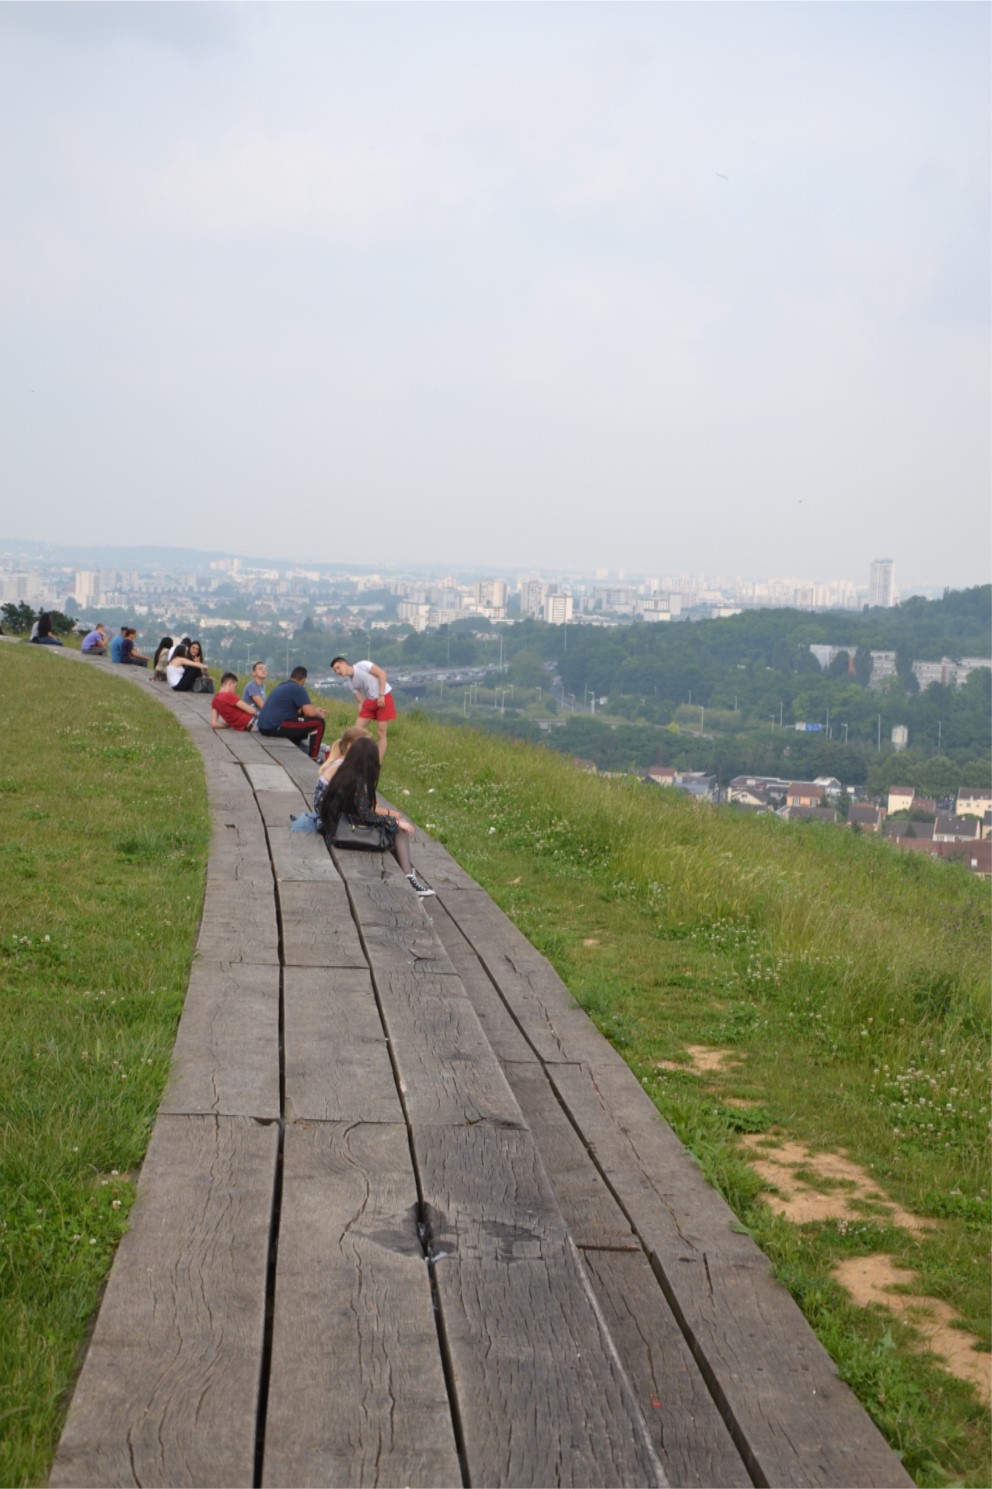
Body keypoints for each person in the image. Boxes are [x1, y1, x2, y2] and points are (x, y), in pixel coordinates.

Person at [318, 736, 434, 896]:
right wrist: (395, 821)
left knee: (393, 827)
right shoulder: (358, 779)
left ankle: (407, 876)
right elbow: (366, 815)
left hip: (334, 827)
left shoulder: (344, 772)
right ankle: (409, 879)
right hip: (342, 832)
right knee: (399, 830)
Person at [330, 655, 396, 762]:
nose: (338, 671)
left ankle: (378, 762)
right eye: (335, 670)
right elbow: (361, 700)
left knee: (381, 733)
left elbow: (382, 674)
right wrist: (362, 713)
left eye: (338, 667)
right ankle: (349, 758)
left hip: (384, 696)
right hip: (370, 700)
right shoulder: (350, 682)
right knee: (355, 732)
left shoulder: (363, 665)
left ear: (344, 663)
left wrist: (381, 695)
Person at [255, 667, 327, 760]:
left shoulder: (282, 685)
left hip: (263, 725)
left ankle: (296, 744)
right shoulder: (298, 688)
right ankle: (313, 757)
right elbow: (309, 713)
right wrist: (319, 713)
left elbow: (296, 710)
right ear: (304, 679)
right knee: (319, 723)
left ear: (291, 676)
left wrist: (313, 711)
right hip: (275, 726)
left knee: (302, 718)